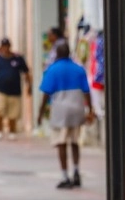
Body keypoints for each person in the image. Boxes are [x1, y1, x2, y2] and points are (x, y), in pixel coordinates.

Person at [37, 40, 95, 189]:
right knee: (75, 142)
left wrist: (40, 113)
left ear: (56, 54)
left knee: (61, 143)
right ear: (69, 53)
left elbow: (45, 94)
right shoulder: (79, 69)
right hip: (77, 109)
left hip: (60, 112)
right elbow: (86, 91)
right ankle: (76, 171)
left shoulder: (52, 70)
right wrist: (90, 109)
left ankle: (65, 176)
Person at [0, 38, 29, 139]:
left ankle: (12, 131)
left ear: (10, 46)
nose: (5, 48)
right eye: (3, 46)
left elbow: (26, 72)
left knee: (13, 114)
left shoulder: (18, 58)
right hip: (0, 90)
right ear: (1, 47)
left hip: (15, 91)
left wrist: (29, 85)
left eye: (7, 46)